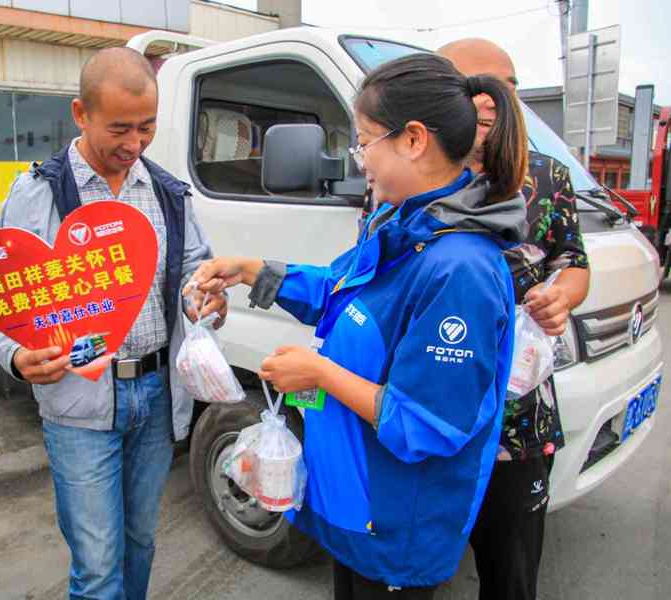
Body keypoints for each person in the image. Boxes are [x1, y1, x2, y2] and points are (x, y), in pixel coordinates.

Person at [189, 53, 529, 599]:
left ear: (413, 139)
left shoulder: (459, 268)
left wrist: (320, 373)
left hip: (394, 525)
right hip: (354, 507)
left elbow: (427, 425)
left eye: (364, 139)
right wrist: (248, 270)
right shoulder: (402, 223)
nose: (359, 157)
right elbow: (342, 290)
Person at [0, 47, 225, 600]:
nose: (134, 144)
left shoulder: (165, 193)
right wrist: (17, 359)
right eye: (119, 128)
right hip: (79, 400)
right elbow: (3, 294)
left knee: (140, 541)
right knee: (96, 562)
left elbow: (193, 269)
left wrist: (205, 299)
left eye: (146, 128)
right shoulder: (40, 192)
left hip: (157, 392)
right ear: (81, 113)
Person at [438, 38, 591, 600]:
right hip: (425, 414)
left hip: (518, 418)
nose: (491, 97)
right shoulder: (408, 176)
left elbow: (572, 261)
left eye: (506, 85)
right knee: (410, 566)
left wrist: (562, 296)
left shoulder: (546, 177)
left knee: (512, 574)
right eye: (473, 84)